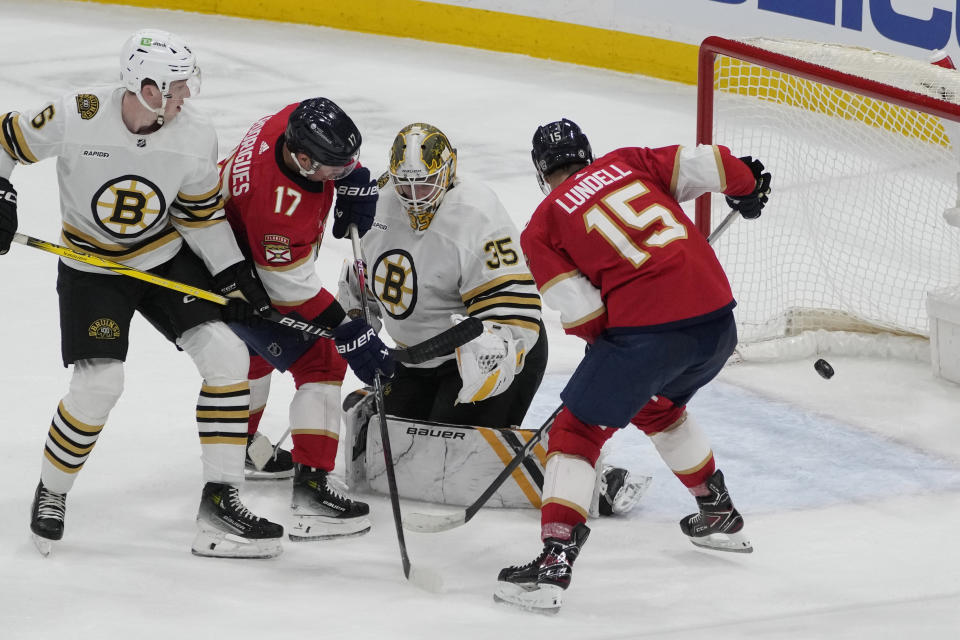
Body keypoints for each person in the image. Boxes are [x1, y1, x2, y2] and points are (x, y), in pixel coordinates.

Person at [0, 29, 285, 558]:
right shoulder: (78, 113)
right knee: (100, 383)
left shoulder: (196, 133)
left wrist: (232, 274)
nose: (185, 97)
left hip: (162, 255)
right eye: (175, 87)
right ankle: (52, 491)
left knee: (226, 355)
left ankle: (221, 499)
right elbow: (3, 140)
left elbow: (200, 216)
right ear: (143, 85)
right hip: (92, 266)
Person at [493, 118, 771, 613]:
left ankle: (554, 558)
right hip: (718, 327)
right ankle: (717, 511)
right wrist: (746, 189)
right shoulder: (628, 162)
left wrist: (614, 354)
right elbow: (719, 164)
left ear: (542, 171)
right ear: (588, 153)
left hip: (651, 337)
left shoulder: (543, 224)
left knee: (577, 433)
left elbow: (582, 313)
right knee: (656, 408)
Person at [338, 123, 647, 516]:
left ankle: (590, 476)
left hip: (496, 357)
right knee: (392, 456)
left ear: (448, 172)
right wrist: (356, 324)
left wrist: (486, 363)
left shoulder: (476, 212)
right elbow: (360, 281)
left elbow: (514, 313)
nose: (415, 197)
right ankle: (396, 401)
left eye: (426, 184)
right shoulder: (378, 203)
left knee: (446, 461)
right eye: (405, 185)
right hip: (416, 359)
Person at [218, 97, 393, 540]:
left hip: (221, 250)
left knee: (255, 354)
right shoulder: (278, 207)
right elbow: (286, 287)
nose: (339, 172)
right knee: (323, 361)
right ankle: (313, 492)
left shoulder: (291, 121)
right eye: (332, 168)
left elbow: (336, 161)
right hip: (240, 275)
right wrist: (347, 330)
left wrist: (352, 176)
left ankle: (240, 446)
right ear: (302, 159)